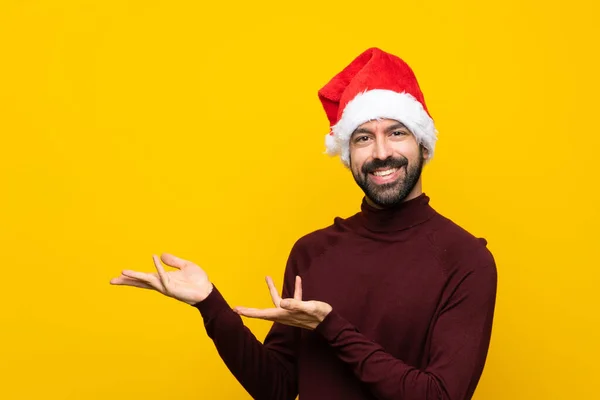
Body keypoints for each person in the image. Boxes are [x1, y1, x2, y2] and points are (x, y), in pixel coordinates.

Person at [110, 47, 498, 400]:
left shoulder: (465, 260)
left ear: (423, 145)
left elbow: (439, 396)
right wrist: (210, 304)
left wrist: (331, 326)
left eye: (397, 133)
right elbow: (277, 388)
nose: (381, 153)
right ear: (347, 153)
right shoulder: (314, 252)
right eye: (364, 138)